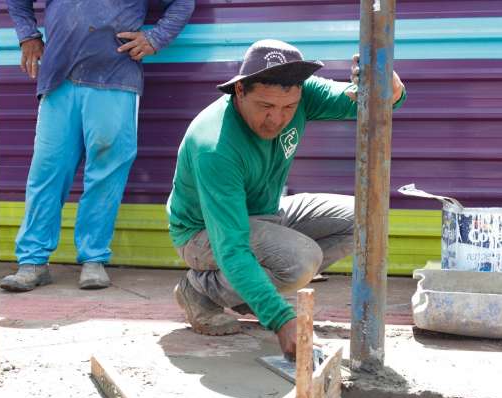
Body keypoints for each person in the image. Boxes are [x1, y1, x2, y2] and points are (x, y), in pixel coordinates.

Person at [167, 39, 406, 359]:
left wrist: (388, 91)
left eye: (288, 108)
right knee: (300, 260)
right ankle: (199, 291)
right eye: (265, 107)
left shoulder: (302, 92)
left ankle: (250, 294)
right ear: (240, 91)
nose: (277, 119)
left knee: (365, 218)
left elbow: (365, 102)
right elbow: (232, 247)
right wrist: (282, 320)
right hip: (203, 233)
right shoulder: (215, 146)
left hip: (266, 214)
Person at [0, 0, 195, 292]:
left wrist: (156, 38)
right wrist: (28, 35)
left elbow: (182, 2)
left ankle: (93, 259)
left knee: (106, 172)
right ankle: (32, 261)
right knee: (47, 171)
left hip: (116, 79)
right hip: (59, 79)